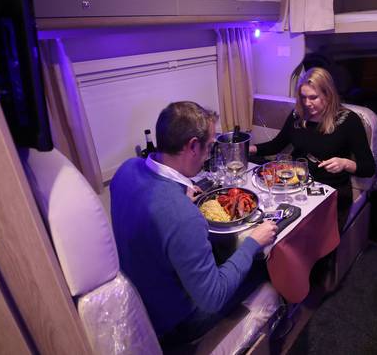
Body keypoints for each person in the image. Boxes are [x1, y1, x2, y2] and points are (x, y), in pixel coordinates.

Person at [110, 101, 278, 346]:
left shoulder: (126, 169)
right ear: (192, 146)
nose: (209, 155)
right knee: (264, 264)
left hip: (142, 294)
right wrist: (253, 243)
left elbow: (154, 204)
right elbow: (213, 298)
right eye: (209, 147)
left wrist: (178, 193)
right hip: (177, 323)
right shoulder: (183, 215)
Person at [249, 67, 376, 230]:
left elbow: (369, 168)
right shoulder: (298, 115)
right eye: (303, 97)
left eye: (313, 97)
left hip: (329, 188)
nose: (307, 103)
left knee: (309, 234)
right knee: (267, 222)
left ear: (328, 94)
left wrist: (345, 164)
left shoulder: (349, 120)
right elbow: (276, 144)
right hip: (295, 185)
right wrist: (247, 148)